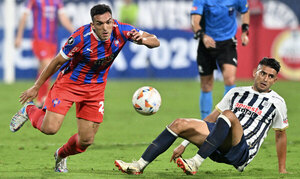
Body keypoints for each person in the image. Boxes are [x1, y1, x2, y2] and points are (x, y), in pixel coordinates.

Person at [10, 4, 160, 173]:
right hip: (68, 85)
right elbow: (57, 62)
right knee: (50, 129)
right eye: (100, 23)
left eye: (108, 22)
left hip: (95, 90)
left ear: (112, 20)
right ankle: (29, 110)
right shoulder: (80, 37)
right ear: (92, 24)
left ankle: (61, 155)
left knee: (86, 141)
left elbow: (155, 40)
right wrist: (36, 87)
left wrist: (143, 40)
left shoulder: (122, 30)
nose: (105, 27)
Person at [115, 57, 288, 175]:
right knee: (179, 123)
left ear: (275, 80)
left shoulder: (277, 102)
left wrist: (282, 170)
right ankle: (138, 166)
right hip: (216, 143)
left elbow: (280, 135)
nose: (265, 78)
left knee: (229, 115)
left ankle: (195, 162)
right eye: (262, 73)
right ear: (255, 73)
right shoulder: (236, 93)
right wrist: (184, 143)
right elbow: (212, 118)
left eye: (270, 76)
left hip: (241, 151)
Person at [191, 0, 250, 119]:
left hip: (227, 43)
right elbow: (194, 21)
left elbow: (245, 11)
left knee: (230, 79)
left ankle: (226, 119)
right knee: (206, 85)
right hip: (207, 43)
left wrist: (244, 31)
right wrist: (203, 36)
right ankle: (205, 122)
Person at [15, 0, 74, 107]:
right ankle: (42, 99)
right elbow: (24, 16)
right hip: (39, 39)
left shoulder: (56, 2)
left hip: (52, 40)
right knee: (48, 65)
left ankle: (38, 101)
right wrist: (19, 36)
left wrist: (75, 32)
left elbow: (63, 18)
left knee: (44, 69)